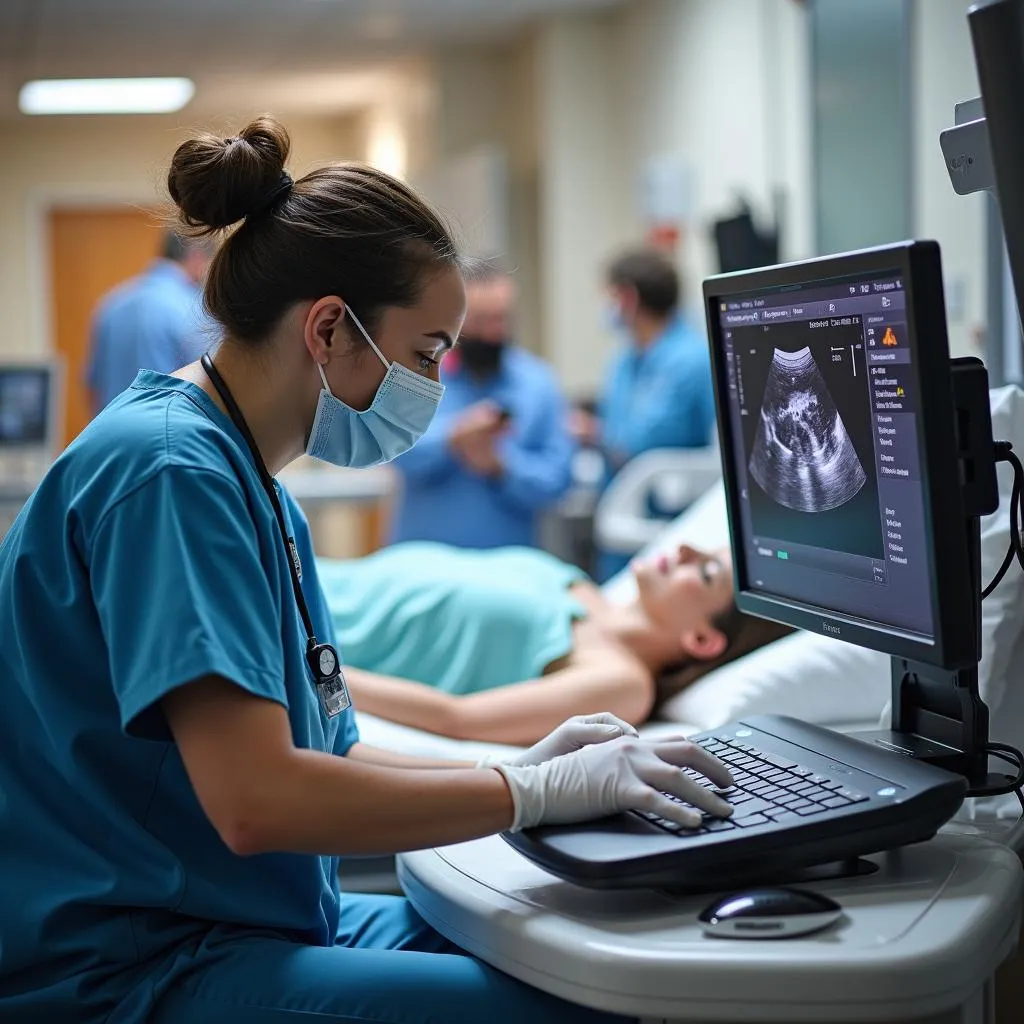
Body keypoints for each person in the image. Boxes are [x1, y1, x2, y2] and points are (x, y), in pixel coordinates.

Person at [0, 117, 736, 1024]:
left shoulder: (251, 483)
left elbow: (326, 755)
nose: (435, 381)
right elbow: (258, 800)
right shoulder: (171, 476)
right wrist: (525, 793)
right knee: (588, 1011)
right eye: (427, 352)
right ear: (328, 328)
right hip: (137, 961)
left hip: (251, 917)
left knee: (611, 958)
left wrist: (521, 766)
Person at [320, 541, 791, 745]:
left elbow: (457, 719)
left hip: (309, 633)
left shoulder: (620, 683)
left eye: (706, 572)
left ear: (703, 639)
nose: (687, 550)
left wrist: (316, 671)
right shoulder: (583, 590)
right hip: (315, 577)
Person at [389, 264, 575, 549]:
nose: (493, 332)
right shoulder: (417, 374)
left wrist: (501, 465)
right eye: (481, 320)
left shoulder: (538, 384)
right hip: (424, 565)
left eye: (501, 319)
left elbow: (558, 481)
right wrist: (454, 437)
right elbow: (392, 450)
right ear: (456, 321)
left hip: (508, 566)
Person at [572, 248, 717, 579]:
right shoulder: (623, 360)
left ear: (628, 297)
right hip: (620, 528)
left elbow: (639, 444)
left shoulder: (691, 359)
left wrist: (595, 433)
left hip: (668, 529)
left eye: (610, 296)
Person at [86, 230, 214, 413]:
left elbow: (93, 387)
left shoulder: (112, 303)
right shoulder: (192, 308)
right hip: (171, 436)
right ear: (196, 256)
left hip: (114, 433)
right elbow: (210, 386)